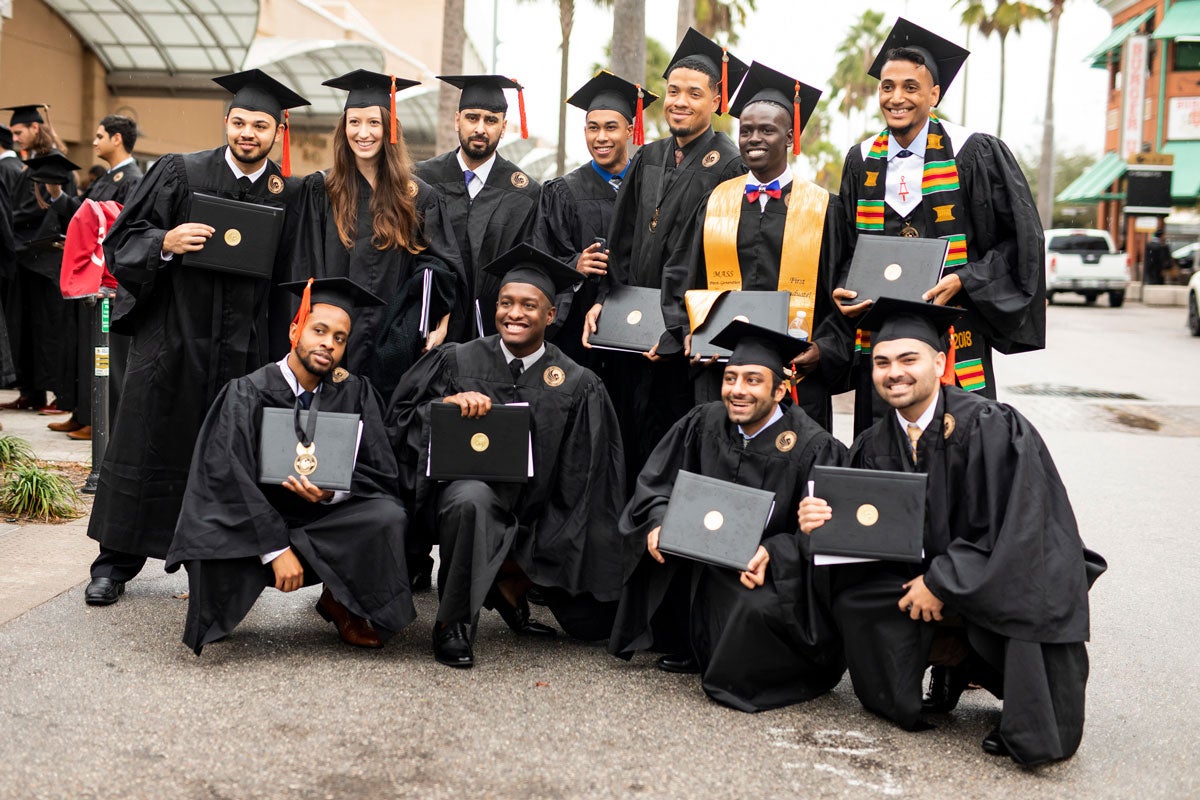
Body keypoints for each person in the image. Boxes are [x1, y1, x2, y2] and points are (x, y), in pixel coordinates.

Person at [797, 298, 1106, 766]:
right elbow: (859, 535)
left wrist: (943, 581)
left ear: (940, 363)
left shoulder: (991, 425)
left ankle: (1025, 720)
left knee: (1034, 595)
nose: (893, 373)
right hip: (921, 572)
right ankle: (945, 663)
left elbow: (1026, 524)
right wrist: (818, 523)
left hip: (996, 567)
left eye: (908, 359)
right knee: (854, 593)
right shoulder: (872, 444)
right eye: (882, 362)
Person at [83, 69, 310, 606]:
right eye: (239, 122)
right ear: (226, 123)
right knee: (144, 442)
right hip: (173, 342)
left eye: (259, 124)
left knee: (232, 453)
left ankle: (215, 566)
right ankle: (115, 564)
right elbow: (123, 242)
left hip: (245, 350)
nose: (247, 133)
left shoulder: (291, 192)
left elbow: (296, 275)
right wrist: (167, 239)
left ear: (277, 131)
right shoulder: (181, 172)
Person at [388, 244, 627, 668]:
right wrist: (445, 411)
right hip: (462, 502)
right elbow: (400, 422)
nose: (514, 313)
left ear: (550, 315)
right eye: (506, 303)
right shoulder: (457, 360)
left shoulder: (577, 383)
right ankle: (453, 624)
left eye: (529, 305)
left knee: (594, 625)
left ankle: (509, 579)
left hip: (537, 514)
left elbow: (584, 477)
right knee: (471, 499)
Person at [166, 277, 414, 654]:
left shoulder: (355, 392)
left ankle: (341, 600)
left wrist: (333, 492)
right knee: (206, 529)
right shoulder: (248, 391)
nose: (328, 344)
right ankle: (222, 606)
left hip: (322, 524)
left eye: (340, 338)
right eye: (319, 331)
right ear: (295, 330)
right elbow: (225, 475)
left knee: (386, 514)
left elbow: (380, 472)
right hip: (254, 524)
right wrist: (275, 549)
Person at [609, 321, 846, 711]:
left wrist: (776, 551)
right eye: (730, 377)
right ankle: (690, 643)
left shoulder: (814, 446)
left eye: (753, 380)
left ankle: (717, 654)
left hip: (760, 569)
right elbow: (657, 483)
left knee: (755, 610)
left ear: (780, 390)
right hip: (700, 554)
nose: (737, 390)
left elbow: (824, 529)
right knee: (655, 548)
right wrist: (657, 520)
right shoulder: (703, 421)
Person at [836, 18, 1045, 435]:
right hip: (883, 334)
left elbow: (1020, 242)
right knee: (882, 449)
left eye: (911, 87)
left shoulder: (973, 151)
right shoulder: (861, 160)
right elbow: (845, 248)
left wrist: (965, 279)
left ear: (934, 94)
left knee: (960, 444)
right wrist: (844, 287)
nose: (897, 97)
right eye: (887, 86)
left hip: (955, 330)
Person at [582, 28, 749, 492]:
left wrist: (680, 329)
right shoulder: (649, 156)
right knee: (625, 446)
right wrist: (604, 300)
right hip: (631, 336)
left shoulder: (730, 166)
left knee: (672, 452)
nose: (679, 101)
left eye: (694, 93)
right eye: (673, 91)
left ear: (716, 100)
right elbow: (623, 241)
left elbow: (723, 266)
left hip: (681, 344)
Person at [669, 62, 852, 431]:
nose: (754, 138)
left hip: (795, 374)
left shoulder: (823, 208)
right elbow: (682, 275)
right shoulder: (716, 201)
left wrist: (825, 349)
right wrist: (689, 332)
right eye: (746, 130)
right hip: (723, 371)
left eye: (767, 130)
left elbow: (843, 288)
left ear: (789, 137)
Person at [284, 70, 466, 395]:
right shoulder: (321, 190)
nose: (363, 133)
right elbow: (302, 265)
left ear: (389, 129)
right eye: (354, 122)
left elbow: (443, 268)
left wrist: (437, 317)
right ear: (344, 128)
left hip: (394, 347)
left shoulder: (418, 197)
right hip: (330, 342)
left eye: (373, 123)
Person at [531, 70, 657, 365]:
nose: (601, 137)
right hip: (577, 336)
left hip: (640, 331)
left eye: (611, 127)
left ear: (629, 130)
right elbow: (538, 259)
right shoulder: (561, 192)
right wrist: (575, 264)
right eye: (592, 128)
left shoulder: (651, 189)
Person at [415, 75, 540, 340]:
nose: (480, 128)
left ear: (504, 127)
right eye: (472, 118)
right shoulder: (422, 180)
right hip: (429, 328)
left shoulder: (524, 193)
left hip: (493, 335)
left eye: (491, 120)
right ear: (457, 119)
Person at [44, 115, 144, 441]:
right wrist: (57, 194)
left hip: (110, 279)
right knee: (87, 349)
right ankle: (83, 412)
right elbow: (83, 213)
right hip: (92, 275)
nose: (94, 141)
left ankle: (103, 419)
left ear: (117, 139)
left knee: (108, 352)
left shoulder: (132, 179)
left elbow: (126, 230)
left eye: (100, 135)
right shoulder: (111, 176)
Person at [0, 104, 75, 415]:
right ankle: (32, 393)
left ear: (35, 128)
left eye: (19, 132)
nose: (15, 138)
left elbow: (39, 208)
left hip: (46, 261)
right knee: (27, 330)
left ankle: (60, 394)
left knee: (50, 332)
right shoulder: (27, 164)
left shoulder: (52, 162)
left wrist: (5, 219)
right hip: (27, 259)